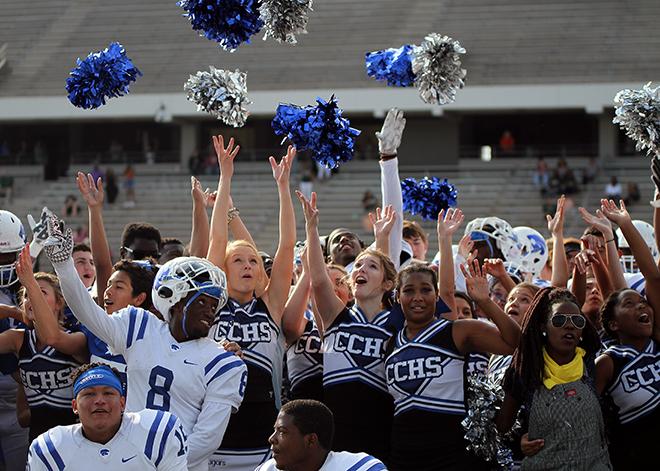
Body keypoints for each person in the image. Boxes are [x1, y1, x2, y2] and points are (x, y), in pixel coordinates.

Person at [45, 217, 247, 471]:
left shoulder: (224, 361)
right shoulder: (139, 325)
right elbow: (89, 315)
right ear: (175, 298)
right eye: (202, 301)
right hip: (126, 459)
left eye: (214, 304)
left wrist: (164, 464)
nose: (210, 311)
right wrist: (63, 266)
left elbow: (208, 437)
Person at [206, 136, 297, 469]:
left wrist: (283, 187)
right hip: (216, 436)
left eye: (254, 262)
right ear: (223, 271)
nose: (247, 266)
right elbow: (218, 239)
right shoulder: (212, 303)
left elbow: (287, 245)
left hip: (263, 438)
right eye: (239, 261)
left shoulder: (270, 305)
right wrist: (225, 177)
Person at [386, 258, 521, 470]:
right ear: (397, 296)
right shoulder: (391, 343)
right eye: (409, 290)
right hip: (403, 453)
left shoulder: (457, 331)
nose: (418, 298)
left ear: (436, 295)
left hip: (452, 452)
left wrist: (485, 301)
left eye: (426, 290)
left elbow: (514, 343)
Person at [497, 288, 610, 470]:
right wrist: (520, 441)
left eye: (576, 320)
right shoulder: (526, 369)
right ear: (543, 327)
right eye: (559, 320)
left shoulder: (593, 364)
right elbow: (502, 426)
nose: (569, 326)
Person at [28, 363, 188, 470]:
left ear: (122, 403)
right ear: (75, 406)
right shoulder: (50, 448)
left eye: (108, 393)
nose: (99, 401)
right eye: (89, 394)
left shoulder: (157, 432)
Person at [3, 253, 85, 441]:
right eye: (26, 295)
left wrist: (30, 282)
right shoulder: (18, 339)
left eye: (41, 293)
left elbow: (52, 338)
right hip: (38, 445)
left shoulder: (78, 339)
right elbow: (23, 419)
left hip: (75, 444)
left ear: (59, 303)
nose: (32, 297)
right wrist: (11, 311)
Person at [256, 399, 385, 471]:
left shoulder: (358, 467)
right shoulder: (268, 468)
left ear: (311, 440)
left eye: (282, 432)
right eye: (275, 431)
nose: (272, 438)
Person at [0, 209, 29, 469]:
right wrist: (12, 312)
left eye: (8, 256)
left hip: (19, 399)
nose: (3, 264)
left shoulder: (30, 286)